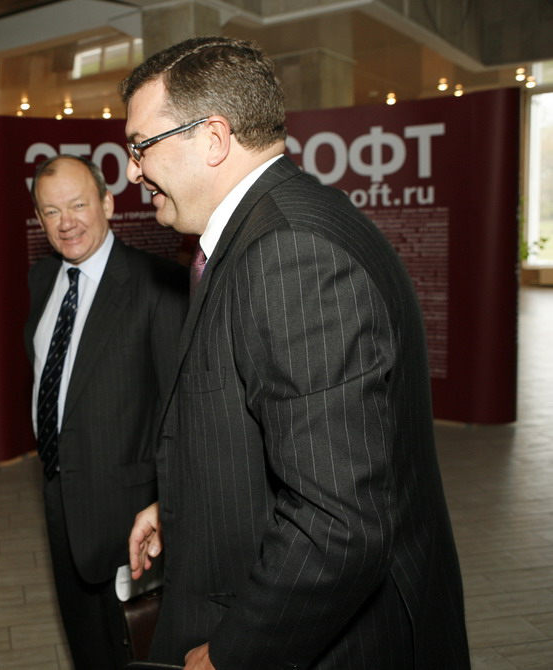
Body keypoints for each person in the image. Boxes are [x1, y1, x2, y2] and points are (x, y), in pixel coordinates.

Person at [122, 37, 470, 669]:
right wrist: (181, 507)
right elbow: (277, 434)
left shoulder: (289, 254)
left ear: (214, 138)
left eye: (141, 146)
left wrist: (233, 655)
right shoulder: (284, 220)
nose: (132, 172)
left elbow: (337, 521)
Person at [24, 155, 186, 668]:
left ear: (108, 204)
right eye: (51, 211)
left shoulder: (158, 285)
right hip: (58, 498)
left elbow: (180, 411)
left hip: (130, 514)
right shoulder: (42, 279)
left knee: (135, 648)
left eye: (77, 205)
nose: (65, 222)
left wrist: (166, 505)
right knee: (85, 645)